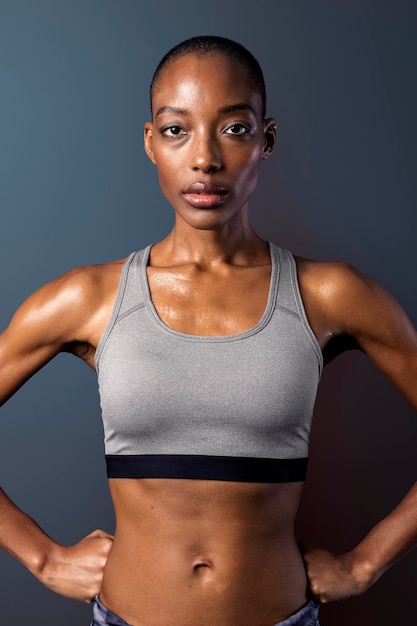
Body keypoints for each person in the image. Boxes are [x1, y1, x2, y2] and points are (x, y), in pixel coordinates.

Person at [0, 35, 416, 626]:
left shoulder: (326, 294)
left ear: (266, 139)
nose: (205, 159)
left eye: (234, 129)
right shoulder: (93, 298)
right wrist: (42, 558)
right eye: (176, 130)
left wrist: (364, 565)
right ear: (150, 143)